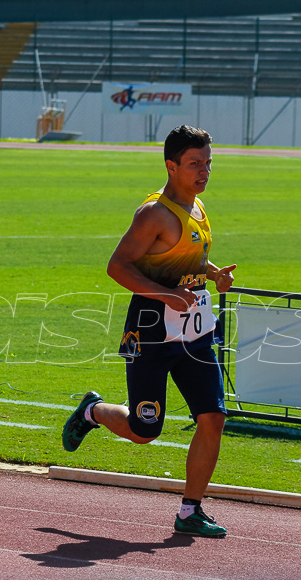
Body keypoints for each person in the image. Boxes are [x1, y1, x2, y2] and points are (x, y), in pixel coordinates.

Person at [61, 125, 236, 538]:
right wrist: (164, 295)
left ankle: (190, 510)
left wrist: (212, 274)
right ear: (171, 165)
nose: (204, 171)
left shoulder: (197, 207)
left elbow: (184, 256)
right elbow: (118, 266)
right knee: (145, 431)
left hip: (193, 333)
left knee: (212, 418)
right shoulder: (153, 215)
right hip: (151, 330)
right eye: (195, 164)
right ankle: (93, 410)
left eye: (208, 163)